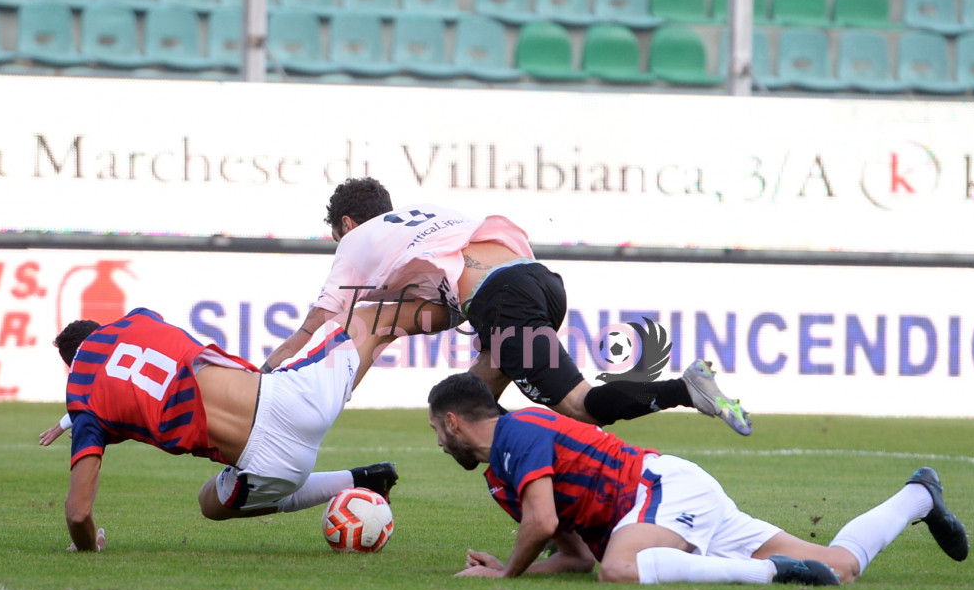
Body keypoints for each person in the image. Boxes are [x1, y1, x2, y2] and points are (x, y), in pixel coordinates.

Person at [263, 177, 752, 437]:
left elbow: (317, 327)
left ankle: (683, 389)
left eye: (336, 235)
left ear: (348, 224)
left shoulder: (358, 240)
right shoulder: (424, 219)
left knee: (581, 407)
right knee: (465, 412)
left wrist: (266, 379)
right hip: (537, 281)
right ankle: (560, 512)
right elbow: (421, 313)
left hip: (504, 301)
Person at [426, 372, 969, 585]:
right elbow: (576, 556)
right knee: (841, 568)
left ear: (453, 422)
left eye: (436, 430)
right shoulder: (501, 480)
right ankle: (917, 496)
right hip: (662, 509)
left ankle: (773, 574)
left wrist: (508, 575)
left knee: (622, 569)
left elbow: (543, 523)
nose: (438, 443)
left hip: (659, 492)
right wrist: (514, 567)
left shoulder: (519, 431)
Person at [39, 298, 448, 552]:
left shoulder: (85, 398)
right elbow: (132, 365)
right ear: (103, 330)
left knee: (209, 503)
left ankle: (356, 480)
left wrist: (88, 546)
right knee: (378, 320)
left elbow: (78, 514)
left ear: (71, 367)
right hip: (293, 397)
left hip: (277, 467)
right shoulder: (138, 318)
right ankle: (471, 306)